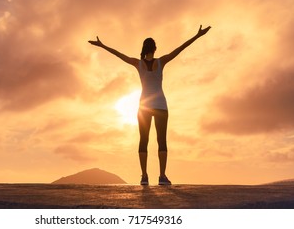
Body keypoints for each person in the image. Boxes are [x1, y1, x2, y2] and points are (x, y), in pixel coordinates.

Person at [88, 25, 211, 185]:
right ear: (155, 48)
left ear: (143, 49)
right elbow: (180, 48)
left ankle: (144, 176)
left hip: (144, 107)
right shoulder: (161, 61)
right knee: (162, 140)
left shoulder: (138, 63)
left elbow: (119, 55)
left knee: (143, 140)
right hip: (160, 105)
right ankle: (162, 176)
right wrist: (197, 35)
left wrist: (102, 45)